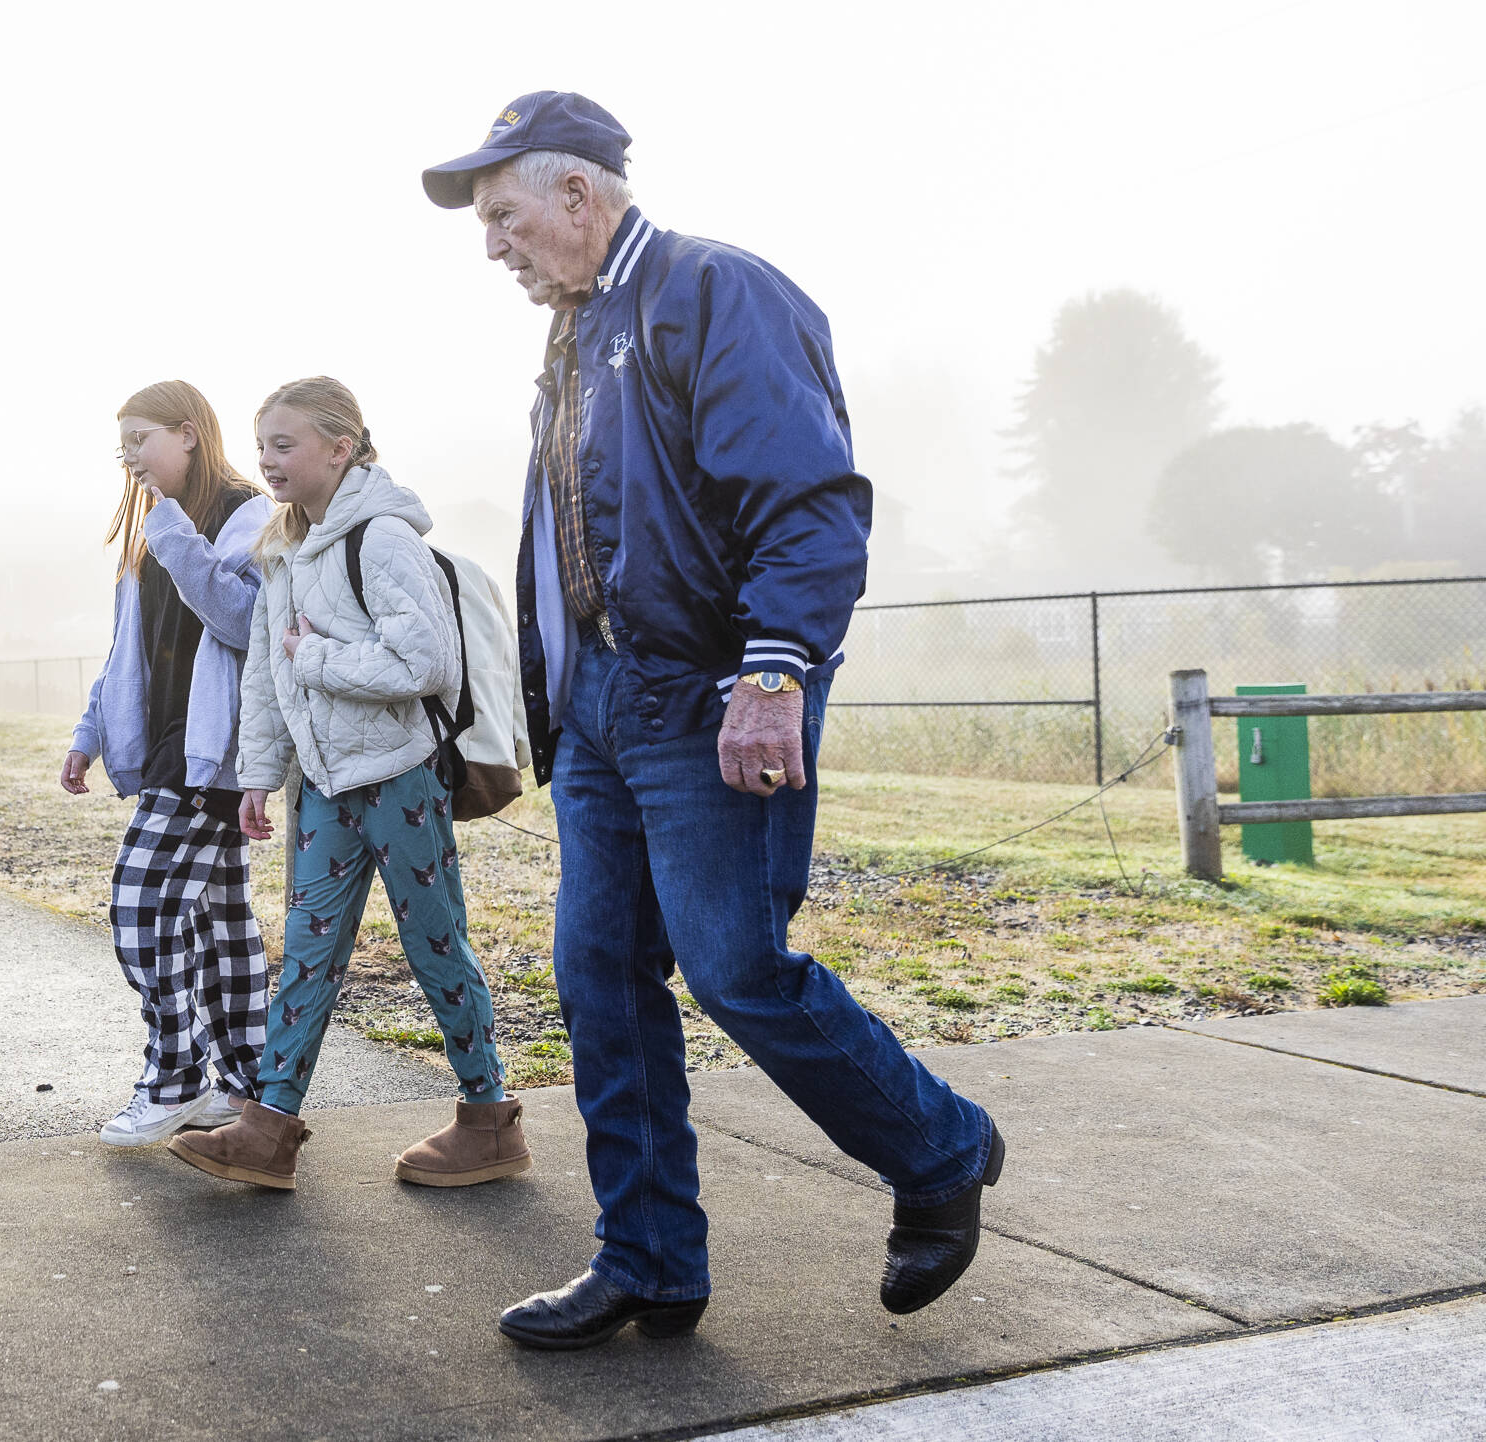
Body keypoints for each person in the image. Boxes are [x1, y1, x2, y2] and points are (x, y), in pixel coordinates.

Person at [421, 93, 1004, 1349]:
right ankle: (646, 1258)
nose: (493, 245)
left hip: (708, 697)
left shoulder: (713, 291)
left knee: (735, 964)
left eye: (504, 214)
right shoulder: (577, 337)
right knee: (601, 980)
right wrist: (549, 703)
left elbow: (807, 500)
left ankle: (941, 1145)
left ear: (578, 195)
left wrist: (774, 672)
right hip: (600, 717)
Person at [167, 376, 530, 1192]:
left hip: (399, 778)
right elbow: (264, 669)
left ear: (340, 447)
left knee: (436, 945)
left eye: (284, 445)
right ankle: (268, 1129)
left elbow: (424, 663)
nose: (266, 461)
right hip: (323, 785)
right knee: (304, 953)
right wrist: (259, 774)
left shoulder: (385, 539)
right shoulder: (282, 547)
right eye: (261, 446)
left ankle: (489, 1120)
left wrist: (317, 657)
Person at [64, 380, 272, 1147]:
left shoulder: (246, 513)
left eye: (139, 441)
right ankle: (248, 1087)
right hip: (164, 753)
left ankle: (178, 1078)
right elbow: (129, 651)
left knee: (138, 906)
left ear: (187, 434)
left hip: (211, 756)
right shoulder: (152, 528)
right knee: (221, 927)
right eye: (120, 448)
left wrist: (176, 531)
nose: (129, 459)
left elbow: (244, 617)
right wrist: (89, 732)